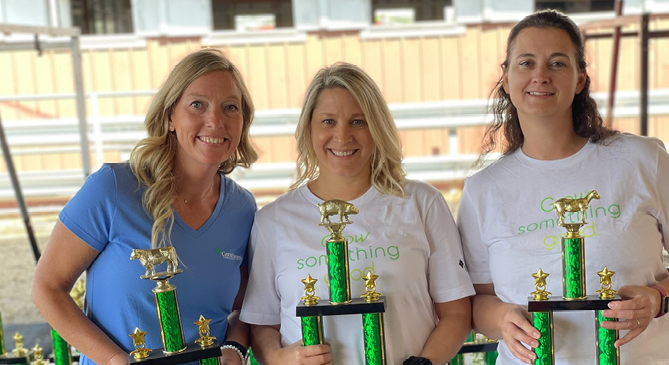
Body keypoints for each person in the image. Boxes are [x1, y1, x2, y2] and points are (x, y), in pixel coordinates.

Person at [457, 9, 669, 365]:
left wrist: (659, 298)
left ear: (580, 79)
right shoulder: (482, 190)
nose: (540, 76)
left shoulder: (642, 160)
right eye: (526, 63)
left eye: (557, 63)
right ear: (505, 78)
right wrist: (502, 319)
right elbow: (478, 301)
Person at [32, 49, 258, 365]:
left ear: (243, 121)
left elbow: (247, 304)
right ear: (169, 117)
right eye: (197, 105)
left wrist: (235, 349)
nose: (215, 120)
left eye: (230, 107)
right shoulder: (112, 187)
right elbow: (47, 288)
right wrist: (112, 359)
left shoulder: (242, 208)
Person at [240, 62, 474, 365]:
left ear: (377, 127)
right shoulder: (272, 221)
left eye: (358, 122)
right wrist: (278, 358)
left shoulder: (422, 203)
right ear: (308, 129)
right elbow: (263, 322)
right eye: (328, 122)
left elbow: (456, 313)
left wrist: (425, 363)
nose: (342, 136)